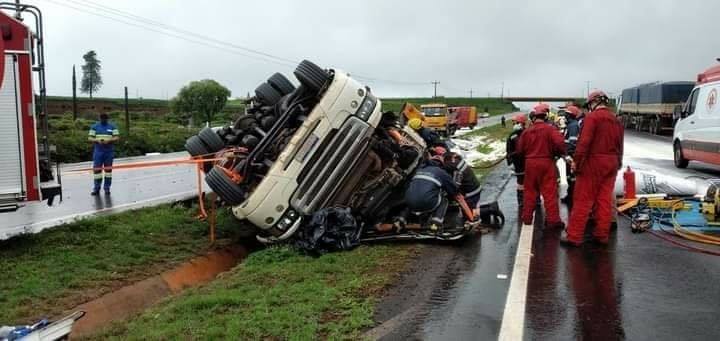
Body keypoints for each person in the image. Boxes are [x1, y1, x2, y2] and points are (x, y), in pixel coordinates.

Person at [562, 90, 624, 247]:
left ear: (593, 103)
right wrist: (618, 163)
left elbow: (584, 143)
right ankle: (601, 235)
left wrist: (577, 162)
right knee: (604, 200)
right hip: (612, 163)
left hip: (593, 162)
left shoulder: (592, 118)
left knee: (583, 200)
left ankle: (574, 237)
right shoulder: (615, 120)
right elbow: (620, 144)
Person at [516, 103, 566, 228]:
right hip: (547, 163)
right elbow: (560, 143)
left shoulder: (527, 132)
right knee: (549, 193)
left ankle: (527, 218)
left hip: (530, 164)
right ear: (545, 116)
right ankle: (553, 221)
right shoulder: (551, 129)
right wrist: (559, 153)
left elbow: (519, 150)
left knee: (530, 192)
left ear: (533, 117)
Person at [404, 153, 459, 230]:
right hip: (427, 203)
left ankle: (401, 219)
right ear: (441, 164)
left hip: (410, 202)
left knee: (412, 196)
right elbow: (454, 190)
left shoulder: (419, 170)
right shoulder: (441, 172)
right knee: (444, 200)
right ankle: (436, 223)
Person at [88, 113, 120, 195]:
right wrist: (97, 141)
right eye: (102, 119)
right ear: (99, 118)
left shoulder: (112, 126)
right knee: (97, 171)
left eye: (105, 119)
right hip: (98, 152)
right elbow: (90, 138)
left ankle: (107, 189)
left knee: (108, 171)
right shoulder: (94, 127)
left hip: (109, 152)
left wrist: (109, 141)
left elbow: (117, 137)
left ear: (107, 119)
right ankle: (96, 189)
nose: (103, 120)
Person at [561, 105, 582, 209]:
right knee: (570, 177)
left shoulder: (573, 126)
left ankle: (572, 198)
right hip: (568, 155)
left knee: (572, 178)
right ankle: (570, 196)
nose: (564, 116)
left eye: (566, 114)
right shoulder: (570, 125)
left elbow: (572, 142)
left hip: (571, 156)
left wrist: (569, 155)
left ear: (570, 115)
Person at [506, 113, 527, 205]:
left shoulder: (527, 133)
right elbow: (509, 149)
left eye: (516, 122)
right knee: (520, 182)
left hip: (527, 161)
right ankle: (521, 199)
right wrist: (510, 162)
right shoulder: (512, 136)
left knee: (531, 181)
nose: (514, 124)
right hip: (518, 163)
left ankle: (535, 199)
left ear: (521, 123)